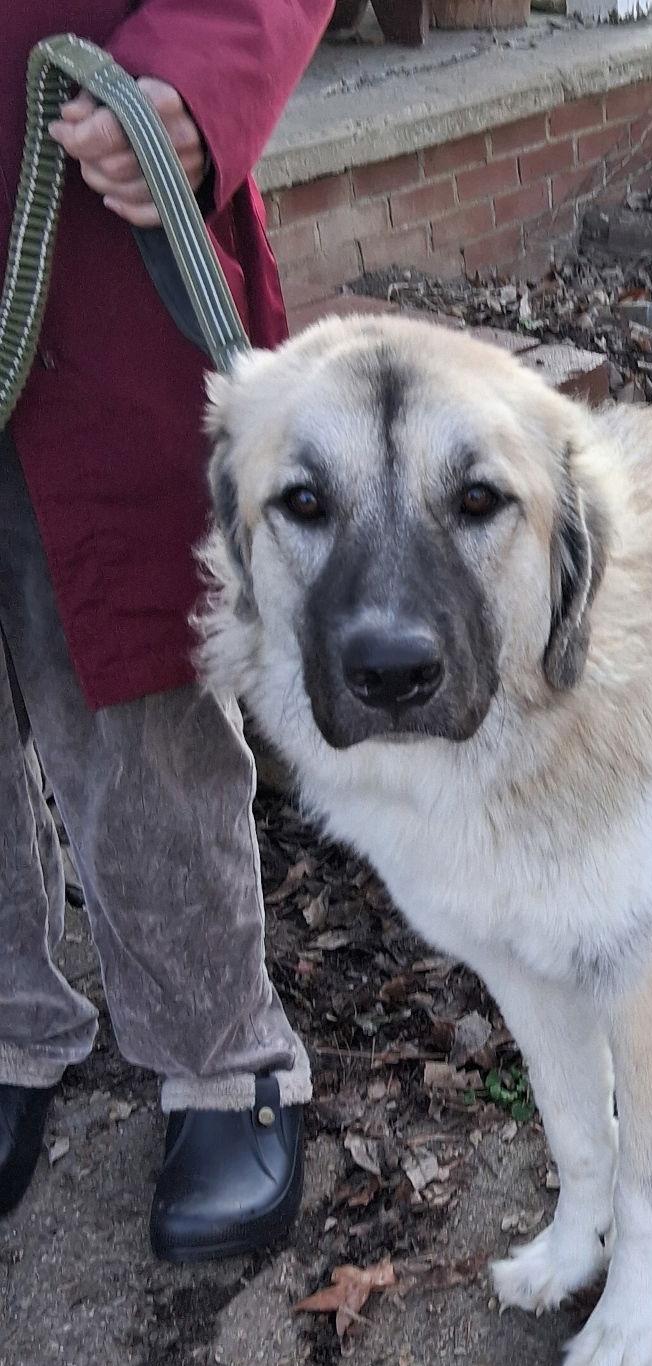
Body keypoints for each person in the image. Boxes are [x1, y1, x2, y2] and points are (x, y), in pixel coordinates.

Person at [0, 0, 333, 1261]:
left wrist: (196, 81)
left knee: (134, 676)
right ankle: (9, 1016)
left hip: (93, 223)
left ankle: (215, 1049)